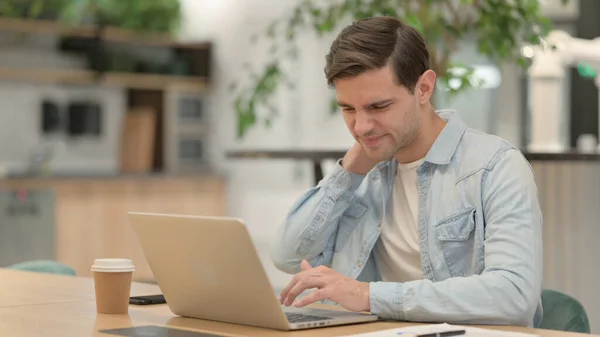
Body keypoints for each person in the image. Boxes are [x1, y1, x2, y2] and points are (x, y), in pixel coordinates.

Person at [270, 15, 543, 327]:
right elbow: (288, 256)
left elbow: (514, 296)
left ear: (424, 88)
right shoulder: (363, 174)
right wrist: (351, 169)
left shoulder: (496, 167)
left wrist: (369, 295)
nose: (360, 126)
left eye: (378, 107)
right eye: (348, 109)